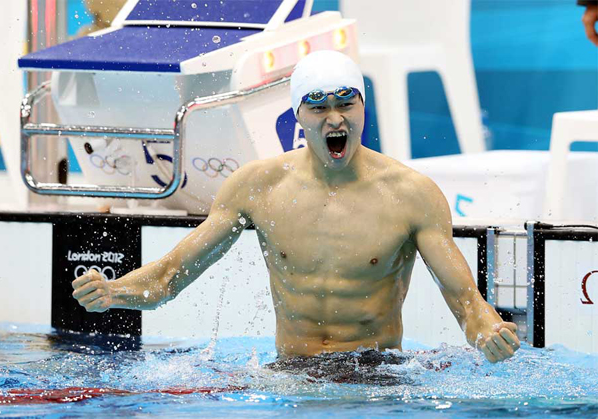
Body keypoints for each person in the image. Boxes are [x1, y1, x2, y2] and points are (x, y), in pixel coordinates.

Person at [72, 50, 520, 364]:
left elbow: (464, 301)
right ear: (298, 115)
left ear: (363, 108)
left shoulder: (411, 193)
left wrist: (486, 333)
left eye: (346, 103)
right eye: (319, 106)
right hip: (289, 375)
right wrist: (115, 293)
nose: (335, 118)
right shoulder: (258, 186)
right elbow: (171, 276)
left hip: (377, 378)